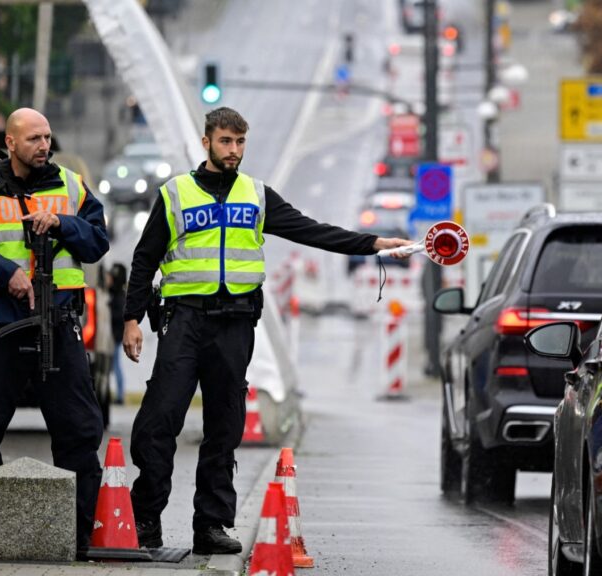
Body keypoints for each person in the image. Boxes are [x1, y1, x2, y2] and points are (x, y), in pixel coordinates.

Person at [122, 107, 412, 554]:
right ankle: (145, 520)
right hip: (183, 322)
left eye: (240, 143)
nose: (234, 151)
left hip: (234, 325)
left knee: (225, 427)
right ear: (206, 143)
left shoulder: (256, 195)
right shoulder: (175, 193)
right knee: (158, 422)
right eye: (225, 142)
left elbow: (310, 231)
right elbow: (144, 260)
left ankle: (212, 526)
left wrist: (372, 244)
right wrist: (131, 319)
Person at [0, 108, 109, 558]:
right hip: (0, 323)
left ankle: (81, 534)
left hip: (58, 322)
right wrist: (5, 274)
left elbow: (97, 242)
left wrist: (62, 224)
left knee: (79, 429)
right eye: (34, 138)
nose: (44, 145)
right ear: (11, 142)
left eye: (48, 137)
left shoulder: (71, 187)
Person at [108, 263, 128, 404]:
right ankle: (118, 394)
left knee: (114, 365)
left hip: (114, 336)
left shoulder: (118, 296)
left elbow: (118, 316)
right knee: (114, 365)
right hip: (115, 335)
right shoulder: (116, 294)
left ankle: (120, 395)